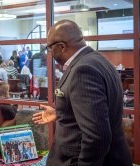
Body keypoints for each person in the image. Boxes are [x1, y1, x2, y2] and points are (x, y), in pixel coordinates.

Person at [32, 20, 132, 166]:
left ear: (61, 47)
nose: (50, 53)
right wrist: (62, 112)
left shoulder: (82, 70)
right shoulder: (100, 60)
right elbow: (98, 111)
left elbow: (97, 136)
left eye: (49, 48)